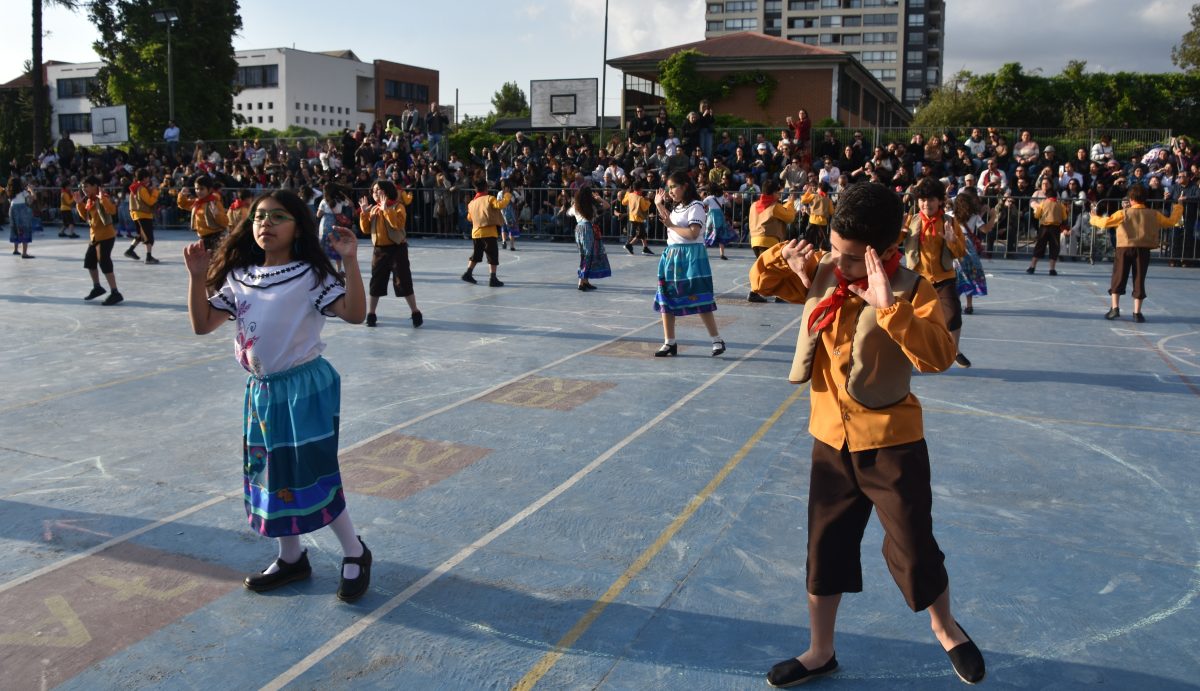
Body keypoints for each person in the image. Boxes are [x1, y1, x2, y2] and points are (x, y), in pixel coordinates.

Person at [749, 182, 984, 687]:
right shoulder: (824, 274)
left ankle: (946, 629)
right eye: (833, 248)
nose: (838, 262)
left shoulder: (912, 289)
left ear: (884, 252)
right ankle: (820, 651)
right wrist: (784, 258)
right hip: (831, 438)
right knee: (825, 545)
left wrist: (888, 309)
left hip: (891, 441)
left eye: (851, 257)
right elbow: (763, 282)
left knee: (914, 544)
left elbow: (939, 356)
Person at [184, 189, 373, 602]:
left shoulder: (310, 275)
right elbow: (202, 325)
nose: (265, 223)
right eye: (259, 217)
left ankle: (355, 551)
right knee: (270, 473)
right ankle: (292, 557)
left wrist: (352, 262)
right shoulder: (241, 276)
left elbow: (356, 314)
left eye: (277, 216)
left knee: (312, 471)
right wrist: (197, 277)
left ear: (297, 227)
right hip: (263, 390)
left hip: (305, 388)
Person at [650, 171, 725, 357]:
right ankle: (670, 342)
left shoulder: (697, 206)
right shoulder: (677, 208)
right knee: (666, 298)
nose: (671, 191)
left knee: (701, 297)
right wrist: (659, 205)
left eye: (673, 187)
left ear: (685, 186)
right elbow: (669, 221)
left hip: (692, 256)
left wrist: (670, 226)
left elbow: (692, 233)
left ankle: (717, 340)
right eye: (669, 188)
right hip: (673, 255)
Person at [900, 177, 970, 367]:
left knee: (953, 314)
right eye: (922, 200)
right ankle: (910, 356)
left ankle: (954, 351)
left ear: (940, 201)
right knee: (911, 320)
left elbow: (961, 253)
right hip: (917, 279)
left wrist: (952, 240)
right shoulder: (912, 221)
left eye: (931, 200)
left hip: (943, 277)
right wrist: (901, 232)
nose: (926, 204)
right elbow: (895, 245)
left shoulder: (949, 222)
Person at [1090, 183, 1183, 322]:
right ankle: (1137, 313)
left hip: (1124, 248)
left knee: (1119, 276)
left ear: (1131, 198)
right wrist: (1179, 206)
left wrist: (1093, 217)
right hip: (1143, 249)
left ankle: (1114, 308)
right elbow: (1170, 222)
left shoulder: (1123, 213)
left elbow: (1105, 223)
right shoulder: (1153, 214)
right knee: (1139, 279)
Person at [359, 179, 421, 328]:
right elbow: (365, 230)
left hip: (397, 249)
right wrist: (364, 214)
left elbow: (397, 224)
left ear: (386, 191)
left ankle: (415, 312)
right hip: (379, 250)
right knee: (376, 282)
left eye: (378, 190)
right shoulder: (373, 209)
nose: (375, 193)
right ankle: (371, 314)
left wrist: (386, 209)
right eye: (373, 191)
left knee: (403, 280)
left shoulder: (398, 207)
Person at [74, 176, 123, 304]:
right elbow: (85, 216)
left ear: (95, 186)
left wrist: (103, 200)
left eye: (87, 186)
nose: (84, 189)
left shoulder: (103, 197)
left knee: (104, 262)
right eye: (83, 187)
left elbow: (112, 210)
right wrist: (79, 203)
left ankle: (115, 292)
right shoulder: (89, 200)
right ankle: (97, 287)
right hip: (94, 236)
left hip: (106, 236)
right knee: (89, 261)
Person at [747, 178, 797, 302]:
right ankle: (777, 294)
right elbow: (789, 217)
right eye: (778, 192)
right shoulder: (775, 206)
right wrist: (790, 203)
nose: (779, 195)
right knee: (776, 268)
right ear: (774, 193)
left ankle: (755, 292)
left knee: (762, 268)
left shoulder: (754, 205)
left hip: (755, 240)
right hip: (769, 241)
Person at [951, 191, 996, 314]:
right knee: (969, 274)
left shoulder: (949, 215)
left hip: (953, 243)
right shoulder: (974, 216)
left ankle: (955, 303)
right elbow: (986, 229)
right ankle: (969, 305)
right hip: (968, 245)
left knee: (955, 275)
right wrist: (993, 216)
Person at [462, 178, 509, 287]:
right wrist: (507, 195)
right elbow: (500, 205)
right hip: (488, 232)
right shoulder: (490, 198)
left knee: (477, 254)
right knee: (492, 255)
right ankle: (493, 278)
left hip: (476, 233)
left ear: (476, 190)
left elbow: (469, 218)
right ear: (486, 188)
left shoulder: (471, 203)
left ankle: (468, 273)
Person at [570, 187, 611, 291]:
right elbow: (607, 206)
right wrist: (599, 199)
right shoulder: (591, 206)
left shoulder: (576, 206)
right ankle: (581, 281)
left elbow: (568, 213)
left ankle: (585, 281)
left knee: (585, 255)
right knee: (588, 256)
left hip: (578, 229)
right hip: (588, 229)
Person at [1026, 178, 1068, 275]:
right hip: (1055, 228)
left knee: (1039, 247)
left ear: (1047, 196)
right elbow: (1064, 217)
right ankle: (1052, 269)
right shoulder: (1060, 205)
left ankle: (1032, 267)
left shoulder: (1043, 203)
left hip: (1044, 227)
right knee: (1054, 248)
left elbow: (1037, 214)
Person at [178, 174, 229, 251]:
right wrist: (182, 195)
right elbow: (183, 204)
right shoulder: (198, 202)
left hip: (215, 237)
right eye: (196, 189)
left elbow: (225, 222)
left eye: (202, 189)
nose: (198, 191)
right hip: (203, 237)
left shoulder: (214, 202)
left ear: (209, 189)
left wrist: (217, 214)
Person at [125, 169, 165, 264]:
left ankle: (130, 250)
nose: (149, 179)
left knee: (141, 235)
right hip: (143, 214)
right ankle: (149, 257)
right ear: (144, 178)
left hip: (136, 214)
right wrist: (155, 191)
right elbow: (150, 201)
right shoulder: (141, 189)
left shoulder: (135, 187)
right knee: (148, 236)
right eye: (148, 177)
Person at [317, 183, 352, 275]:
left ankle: (324, 268)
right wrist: (342, 194)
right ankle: (339, 270)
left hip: (326, 224)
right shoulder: (340, 200)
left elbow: (318, 214)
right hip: (337, 224)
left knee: (324, 246)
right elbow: (351, 204)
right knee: (336, 245)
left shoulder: (324, 201)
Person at [702, 183, 737, 260]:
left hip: (711, 217)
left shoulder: (709, 198)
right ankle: (722, 254)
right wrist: (726, 198)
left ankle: (704, 252)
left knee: (708, 233)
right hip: (720, 217)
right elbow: (729, 205)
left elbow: (702, 204)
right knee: (721, 234)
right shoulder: (721, 197)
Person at [621, 179, 654, 255]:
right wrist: (648, 200)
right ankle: (629, 245)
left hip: (632, 217)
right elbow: (645, 207)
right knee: (640, 234)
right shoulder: (640, 198)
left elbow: (623, 202)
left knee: (642, 234)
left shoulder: (630, 195)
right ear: (640, 189)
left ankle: (645, 247)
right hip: (638, 218)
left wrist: (627, 192)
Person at [801, 181, 835, 251]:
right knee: (822, 241)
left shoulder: (813, 196)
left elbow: (803, 200)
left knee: (809, 239)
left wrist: (808, 192)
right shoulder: (828, 200)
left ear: (819, 188)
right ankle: (822, 256)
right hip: (823, 222)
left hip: (813, 220)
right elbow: (832, 212)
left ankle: (807, 252)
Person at [7, 178, 34, 258]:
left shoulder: (10, 193)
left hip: (12, 210)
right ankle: (24, 253)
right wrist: (31, 190)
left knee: (15, 229)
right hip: (21, 212)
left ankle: (15, 250)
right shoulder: (23, 192)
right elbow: (33, 197)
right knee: (24, 230)